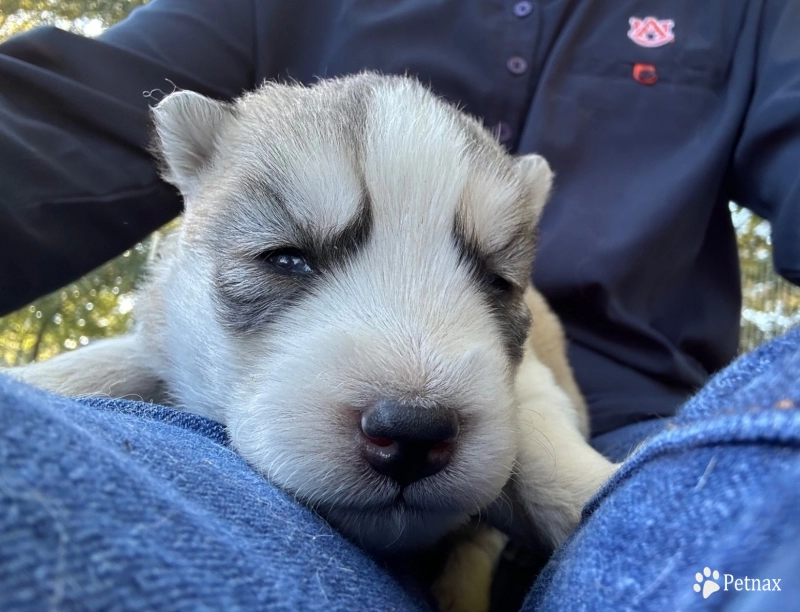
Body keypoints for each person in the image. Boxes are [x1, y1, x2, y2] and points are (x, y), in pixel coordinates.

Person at [0, 0, 798, 610]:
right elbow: (63, 113)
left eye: (493, 278)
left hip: (658, 436)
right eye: (287, 259)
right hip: (231, 448)